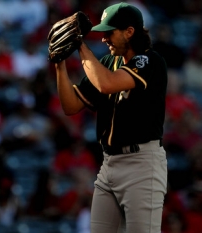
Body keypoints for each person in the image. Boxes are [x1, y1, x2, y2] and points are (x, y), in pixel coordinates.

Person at [53, 2, 168, 233]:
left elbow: (106, 84)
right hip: (108, 164)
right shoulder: (107, 63)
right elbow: (70, 105)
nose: (104, 38)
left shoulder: (150, 61)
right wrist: (59, 65)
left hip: (141, 164)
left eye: (109, 32)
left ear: (129, 31)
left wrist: (80, 45)